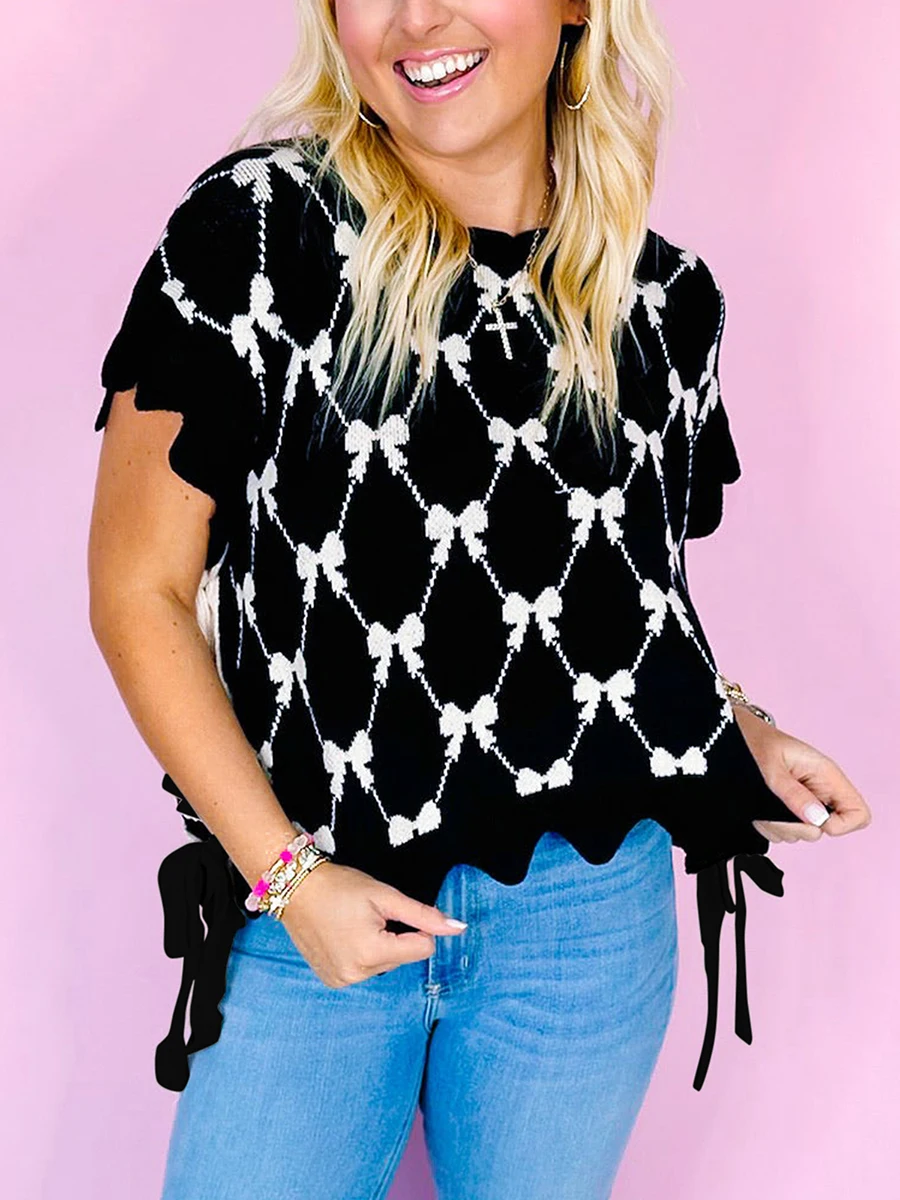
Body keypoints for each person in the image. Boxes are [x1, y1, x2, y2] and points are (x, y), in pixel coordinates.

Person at [87, 2, 871, 1197]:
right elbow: (136, 587)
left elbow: (619, 600)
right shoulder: (255, 235)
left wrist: (741, 734)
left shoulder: (664, 301)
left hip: (585, 929)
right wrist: (288, 881)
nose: (418, 18)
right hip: (306, 893)